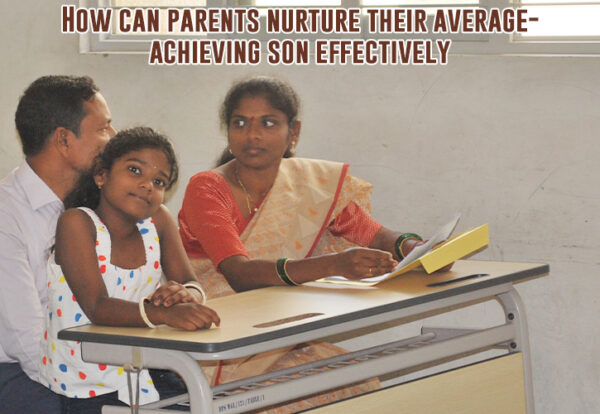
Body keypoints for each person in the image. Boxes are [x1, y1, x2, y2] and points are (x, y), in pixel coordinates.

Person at [177, 76, 429, 412]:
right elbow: (239, 274)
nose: (252, 135)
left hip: (282, 333)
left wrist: (413, 246)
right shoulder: (208, 188)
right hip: (218, 342)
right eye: (240, 123)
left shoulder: (310, 185)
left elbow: (374, 234)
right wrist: (336, 265)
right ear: (228, 131)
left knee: (357, 382)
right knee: (291, 396)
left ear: (293, 132)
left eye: (268, 123)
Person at [39, 127, 220, 413]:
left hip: (149, 369)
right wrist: (163, 313)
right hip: (89, 384)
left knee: (203, 402)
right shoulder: (77, 224)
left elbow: (191, 282)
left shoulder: (158, 221)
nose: (148, 185)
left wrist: (183, 294)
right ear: (102, 175)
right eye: (135, 170)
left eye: (159, 181)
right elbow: (97, 307)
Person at [0, 75, 115, 413]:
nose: (113, 138)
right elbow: (24, 337)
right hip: (21, 371)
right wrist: (90, 381)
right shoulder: (6, 215)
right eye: (103, 128)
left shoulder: (101, 201)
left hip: (93, 359)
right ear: (64, 140)